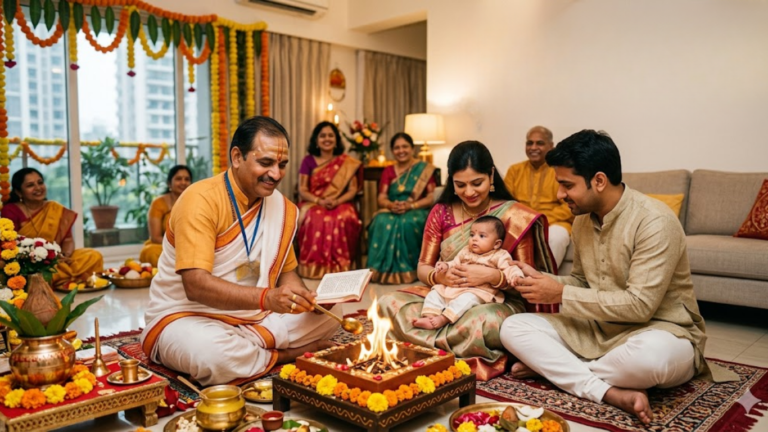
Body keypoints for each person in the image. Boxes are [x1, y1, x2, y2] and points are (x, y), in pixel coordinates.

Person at [499, 130, 736, 424]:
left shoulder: (654, 221)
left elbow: (640, 306)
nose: (560, 195)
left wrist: (559, 295)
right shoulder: (582, 220)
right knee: (513, 327)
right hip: (597, 330)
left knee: (650, 359)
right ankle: (608, 390)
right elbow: (583, 285)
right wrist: (546, 282)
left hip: (660, 330)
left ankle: (557, 368)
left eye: (566, 185)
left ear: (598, 181)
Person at [140, 117, 341, 386]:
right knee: (212, 355)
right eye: (266, 163)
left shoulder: (281, 207)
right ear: (237, 157)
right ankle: (284, 354)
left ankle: (252, 350)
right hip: (187, 316)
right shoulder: (200, 200)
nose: (277, 174)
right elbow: (196, 286)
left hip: (254, 315)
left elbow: (287, 273)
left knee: (332, 318)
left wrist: (305, 300)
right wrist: (268, 299)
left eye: (282, 165)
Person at [378, 141, 556, 381]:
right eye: (460, 185)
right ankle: (451, 343)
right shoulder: (441, 212)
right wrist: (439, 276)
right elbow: (423, 268)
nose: (469, 192)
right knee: (387, 302)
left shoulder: (514, 215)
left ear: (491, 175)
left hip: (490, 302)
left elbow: (527, 282)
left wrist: (493, 277)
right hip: (446, 294)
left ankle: (427, 344)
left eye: (477, 183)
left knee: (483, 322)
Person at [413, 216, 524, 330]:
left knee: (465, 300)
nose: (474, 239)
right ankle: (430, 316)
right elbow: (454, 263)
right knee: (435, 293)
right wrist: (445, 266)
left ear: (496, 244)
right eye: (472, 235)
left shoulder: (499, 255)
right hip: (454, 288)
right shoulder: (465, 251)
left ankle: (443, 318)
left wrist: (516, 276)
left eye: (481, 236)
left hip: (478, 292)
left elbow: (510, 268)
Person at [1, 168, 103, 287]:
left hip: (57, 259)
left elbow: (68, 239)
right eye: (30, 185)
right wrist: (40, 258)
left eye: (40, 182)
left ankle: (63, 278)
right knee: (38, 273)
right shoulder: (11, 210)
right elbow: (11, 245)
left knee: (93, 255)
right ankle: (74, 277)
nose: (38, 188)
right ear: (19, 192)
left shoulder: (54, 208)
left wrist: (65, 256)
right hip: (31, 262)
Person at [296, 121, 362, 279]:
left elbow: (353, 189)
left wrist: (337, 201)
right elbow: (302, 189)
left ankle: (341, 266)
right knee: (315, 218)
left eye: (331, 135)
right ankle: (313, 267)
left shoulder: (347, 162)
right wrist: (319, 201)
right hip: (314, 202)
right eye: (323, 136)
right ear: (316, 140)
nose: (327, 139)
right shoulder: (308, 161)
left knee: (343, 217)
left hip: (341, 202)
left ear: (337, 139)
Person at [367, 132, 436, 284]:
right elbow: (381, 197)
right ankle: (378, 271)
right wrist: (391, 205)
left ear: (412, 148)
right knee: (379, 220)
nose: (401, 150)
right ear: (392, 151)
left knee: (408, 223)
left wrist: (411, 205)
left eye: (405, 146)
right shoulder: (388, 171)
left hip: (416, 209)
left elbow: (432, 196)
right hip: (392, 209)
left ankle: (412, 269)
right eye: (397, 148)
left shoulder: (424, 169)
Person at [503, 126, 573, 267]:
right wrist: (525, 221)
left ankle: (545, 280)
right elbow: (506, 203)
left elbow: (569, 206)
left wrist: (541, 221)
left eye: (540, 143)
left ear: (551, 146)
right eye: (530, 143)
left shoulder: (560, 170)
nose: (533, 147)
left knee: (557, 236)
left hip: (554, 223)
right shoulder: (514, 171)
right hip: (520, 222)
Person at [139, 165, 193, 267]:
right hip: (164, 246)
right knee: (151, 252)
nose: (183, 182)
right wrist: (179, 246)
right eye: (178, 179)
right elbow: (155, 237)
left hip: (190, 246)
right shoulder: (159, 203)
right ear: (169, 183)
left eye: (187, 179)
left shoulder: (196, 201)